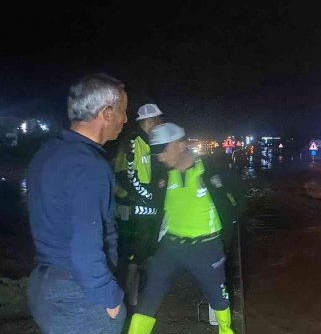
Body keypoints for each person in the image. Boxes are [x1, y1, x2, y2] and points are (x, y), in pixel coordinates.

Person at [26, 73, 128, 334]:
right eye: (122, 111)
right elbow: (85, 244)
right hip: (79, 293)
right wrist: (110, 297)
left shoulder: (47, 153)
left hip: (44, 284)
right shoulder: (89, 166)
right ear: (106, 113)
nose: (125, 119)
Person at [128, 123, 238, 334]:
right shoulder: (162, 177)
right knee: (149, 295)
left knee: (218, 298)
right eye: (155, 151)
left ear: (181, 145)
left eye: (163, 149)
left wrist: (227, 233)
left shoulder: (211, 171)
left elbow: (237, 199)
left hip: (206, 248)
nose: (159, 156)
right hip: (171, 247)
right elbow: (155, 209)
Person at [114, 104, 164, 307]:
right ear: (149, 121)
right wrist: (147, 196)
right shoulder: (134, 142)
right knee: (133, 256)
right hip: (137, 211)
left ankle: (136, 297)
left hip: (148, 208)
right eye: (158, 120)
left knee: (144, 253)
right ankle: (127, 299)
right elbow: (132, 175)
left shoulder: (149, 142)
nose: (160, 124)